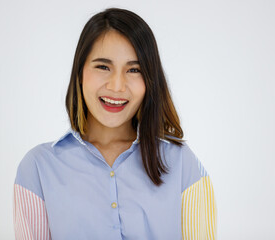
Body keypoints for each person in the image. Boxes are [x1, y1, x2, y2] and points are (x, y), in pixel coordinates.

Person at [13, 7, 217, 240]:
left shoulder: (183, 165)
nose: (117, 86)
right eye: (103, 66)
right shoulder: (37, 168)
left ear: (150, 80)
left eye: (134, 69)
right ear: (80, 72)